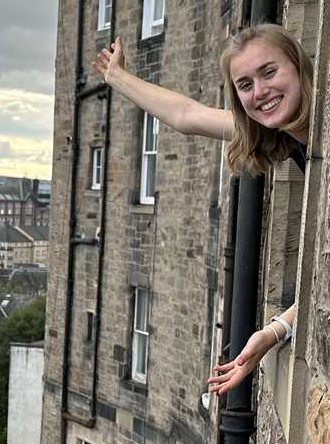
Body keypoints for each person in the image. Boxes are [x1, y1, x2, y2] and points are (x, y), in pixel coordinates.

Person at [94, 26, 314, 397]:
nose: (259, 92)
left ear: (298, 65)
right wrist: (116, 76)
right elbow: (186, 115)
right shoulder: (281, 136)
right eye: (245, 85)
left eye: (269, 72)